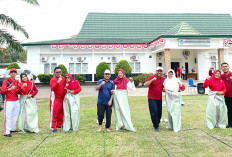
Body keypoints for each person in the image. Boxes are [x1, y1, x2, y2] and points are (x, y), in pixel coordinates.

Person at [144, 67, 165, 132]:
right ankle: (156, 126)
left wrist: (164, 89)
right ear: (156, 71)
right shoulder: (151, 77)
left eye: (160, 71)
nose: (159, 72)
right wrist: (152, 80)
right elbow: (145, 84)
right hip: (152, 98)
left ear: (162, 72)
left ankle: (157, 123)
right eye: (158, 71)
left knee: (159, 113)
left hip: (159, 98)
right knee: (154, 112)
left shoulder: (163, 79)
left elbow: (165, 87)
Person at [1, 68, 21, 137]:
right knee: (8, 116)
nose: (13, 73)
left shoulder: (17, 81)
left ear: (16, 74)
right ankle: (7, 132)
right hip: (9, 101)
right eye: (12, 72)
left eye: (14, 72)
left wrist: (21, 88)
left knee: (15, 115)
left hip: (16, 100)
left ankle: (12, 128)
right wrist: (9, 89)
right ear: (9, 74)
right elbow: (2, 91)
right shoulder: (6, 82)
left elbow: (18, 91)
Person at [50, 67, 66, 133]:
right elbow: (52, 88)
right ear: (54, 73)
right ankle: (53, 126)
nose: (59, 73)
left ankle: (60, 124)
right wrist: (57, 82)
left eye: (60, 72)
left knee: (61, 112)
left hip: (62, 97)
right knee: (55, 112)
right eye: (57, 72)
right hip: (55, 98)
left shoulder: (63, 78)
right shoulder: (53, 79)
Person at [221, 62, 232, 128]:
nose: (225, 68)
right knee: (230, 110)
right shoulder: (221, 76)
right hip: (227, 96)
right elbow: (213, 76)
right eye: (223, 67)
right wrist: (210, 71)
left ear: (229, 67)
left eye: (226, 66)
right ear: (221, 68)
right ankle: (230, 124)